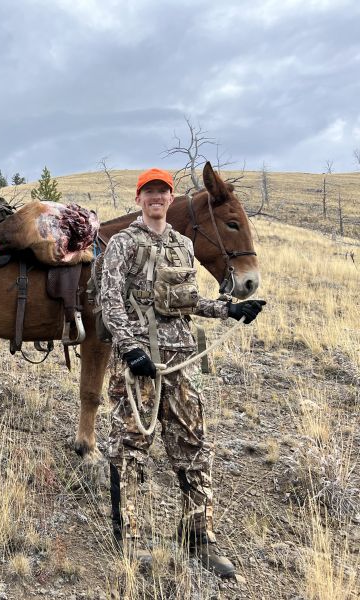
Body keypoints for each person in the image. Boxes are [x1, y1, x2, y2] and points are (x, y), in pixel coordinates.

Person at [99, 168, 265, 577]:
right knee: (130, 447)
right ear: (139, 199)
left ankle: (199, 538)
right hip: (139, 363)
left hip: (181, 362)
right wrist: (130, 348)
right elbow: (109, 300)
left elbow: (187, 300)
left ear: (170, 199)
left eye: (162, 192)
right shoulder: (122, 244)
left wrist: (229, 309)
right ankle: (129, 537)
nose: (156, 198)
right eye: (149, 192)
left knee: (195, 446)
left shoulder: (183, 245)